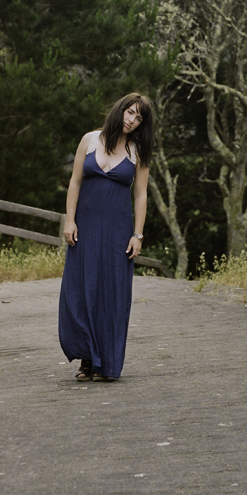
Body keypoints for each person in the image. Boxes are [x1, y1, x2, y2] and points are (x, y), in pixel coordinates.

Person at [57, 92, 153, 382]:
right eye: (130, 112)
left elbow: (141, 194)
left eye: (138, 118)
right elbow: (74, 182)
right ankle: (87, 359)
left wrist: (138, 234)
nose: (132, 120)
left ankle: (105, 364)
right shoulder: (89, 140)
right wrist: (70, 220)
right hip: (85, 227)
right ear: (120, 109)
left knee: (111, 294)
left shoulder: (137, 151)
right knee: (80, 291)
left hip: (117, 231)